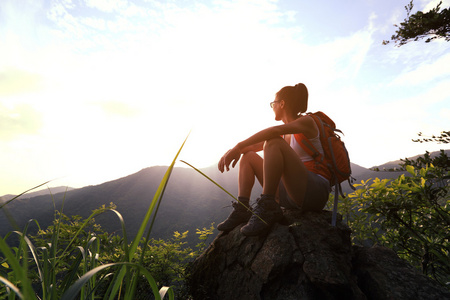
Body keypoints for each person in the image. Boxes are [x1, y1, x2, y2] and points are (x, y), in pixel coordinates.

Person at [217, 83, 331, 236]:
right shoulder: (285, 134)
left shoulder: (307, 122)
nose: (272, 107)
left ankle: (269, 205)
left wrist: (239, 145)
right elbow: (250, 147)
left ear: (282, 104)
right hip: (293, 194)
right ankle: (243, 208)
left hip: (315, 192)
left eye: (273, 104)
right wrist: (233, 151)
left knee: (272, 141)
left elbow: (273, 132)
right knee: (249, 156)